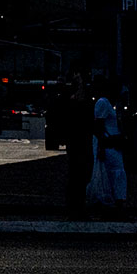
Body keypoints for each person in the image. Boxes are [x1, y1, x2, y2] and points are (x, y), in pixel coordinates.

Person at [88, 86, 130, 214]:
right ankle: (117, 203)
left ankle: (115, 203)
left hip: (111, 143)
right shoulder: (104, 103)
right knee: (116, 172)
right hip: (109, 144)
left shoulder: (111, 105)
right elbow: (99, 126)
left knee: (113, 173)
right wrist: (101, 146)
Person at [60, 74, 92, 216]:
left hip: (75, 142)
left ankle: (74, 206)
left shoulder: (69, 103)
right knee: (79, 176)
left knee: (76, 176)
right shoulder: (78, 104)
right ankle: (77, 206)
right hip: (80, 142)